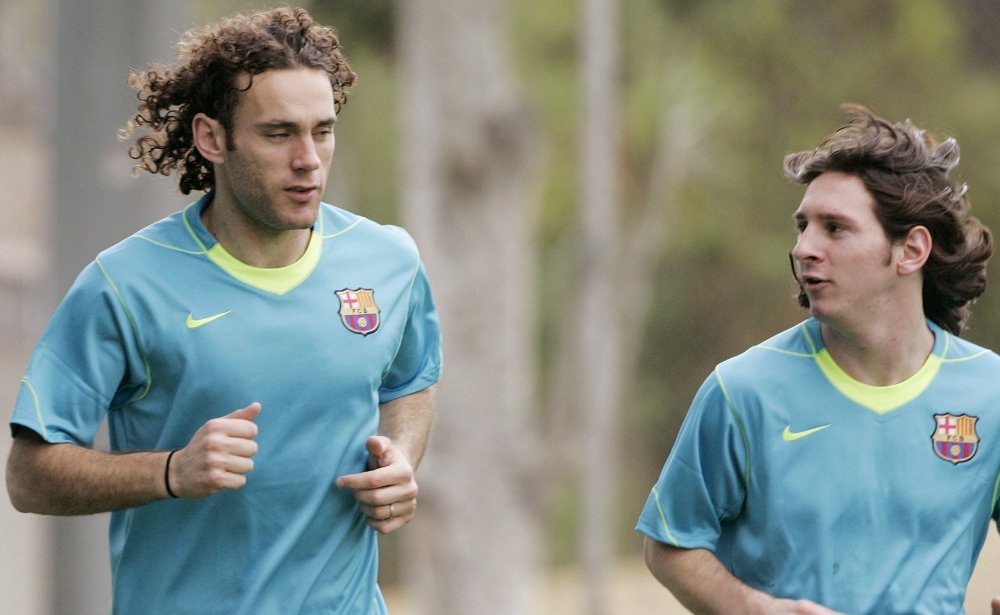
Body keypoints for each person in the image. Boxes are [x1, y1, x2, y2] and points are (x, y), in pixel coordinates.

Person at [5, 7, 441, 614]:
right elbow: (29, 476)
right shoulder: (125, 284)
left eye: (322, 130)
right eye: (279, 133)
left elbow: (410, 381)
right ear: (213, 138)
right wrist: (170, 472)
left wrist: (400, 457)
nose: (309, 159)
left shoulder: (387, 260)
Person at [636, 104, 1000, 614]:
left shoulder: (991, 393)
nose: (804, 247)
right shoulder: (741, 392)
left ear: (911, 250)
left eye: (835, 228)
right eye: (803, 225)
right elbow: (670, 542)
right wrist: (755, 609)